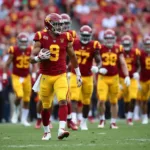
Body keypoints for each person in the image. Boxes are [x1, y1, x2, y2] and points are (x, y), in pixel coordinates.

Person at [30, 13, 82, 140]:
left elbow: (73, 56)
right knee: (46, 106)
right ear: (48, 25)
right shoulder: (41, 36)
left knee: (63, 100)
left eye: (60, 24)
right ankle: (47, 131)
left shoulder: (66, 36)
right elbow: (31, 58)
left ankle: (61, 129)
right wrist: (38, 58)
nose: (60, 27)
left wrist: (78, 73)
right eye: (57, 24)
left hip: (61, 75)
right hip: (46, 76)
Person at [92, 29, 130, 129]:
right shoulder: (100, 48)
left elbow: (122, 62)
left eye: (111, 38)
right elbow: (95, 61)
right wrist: (98, 69)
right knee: (101, 100)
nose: (109, 41)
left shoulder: (118, 48)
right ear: (104, 39)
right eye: (107, 38)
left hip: (114, 78)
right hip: (103, 78)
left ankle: (113, 122)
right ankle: (102, 119)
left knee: (114, 101)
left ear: (114, 39)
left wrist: (126, 75)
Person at [70, 25, 101, 130]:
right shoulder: (74, 43)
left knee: (86, 101)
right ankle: (73, 120)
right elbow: (66, 57)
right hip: (75, 74)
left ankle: (83, 122)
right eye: (84, 35)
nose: (85, 38)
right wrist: (65, 69)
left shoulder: (94, 45)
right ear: (80, 34)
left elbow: (99, 60)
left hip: (88, 76)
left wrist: (97, 67)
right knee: (73, 98)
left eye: (87, 36)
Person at [3, 32, 32, 126]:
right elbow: (7, 64)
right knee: (19, 95)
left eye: (25, 42)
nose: (24, 44)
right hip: (16, 76)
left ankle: (24, 119)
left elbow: (33, 62)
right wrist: (4, 75)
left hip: (27, 76)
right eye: (22, 42)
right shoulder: (13, 50)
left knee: (27, 99)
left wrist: (35, 73)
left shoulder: (30, 49)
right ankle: (15, 112)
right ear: (18, 42)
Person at [119, 35, 141, 125]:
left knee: (133, 97)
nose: (126, 46)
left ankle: (130, 117)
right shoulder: (119, 52)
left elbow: (139, 65)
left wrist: (137, 72)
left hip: (132, 78)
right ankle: (127, 114)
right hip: (122, 78)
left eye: (128, 44)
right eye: (125, 44)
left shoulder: (135, 52)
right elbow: (117, 66)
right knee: (126, 99)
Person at [139, 35, 150, 124]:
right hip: (143, 79)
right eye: (146, 44)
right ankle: (145, 116)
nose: (148, 46)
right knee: (144, 100)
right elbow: (138, 67)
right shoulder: (141, 54)